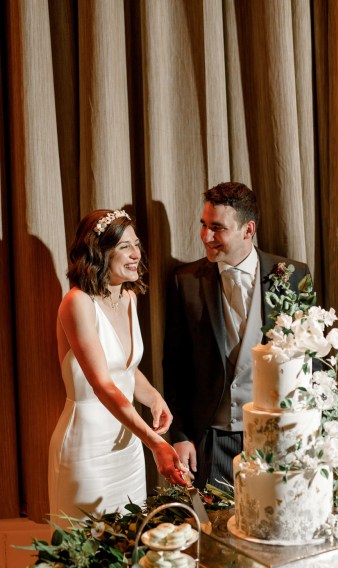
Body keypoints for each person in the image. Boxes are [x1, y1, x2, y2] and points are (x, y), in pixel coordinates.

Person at [163, 182, 310, 490]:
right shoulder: (184, 281)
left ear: (248, 230)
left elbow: (313, 360)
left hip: (278, 434)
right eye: (203, 226)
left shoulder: (293, 275)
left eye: (218, 228)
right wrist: (179, 436)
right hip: (214, 439)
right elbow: (174, 368)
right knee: (216, 532)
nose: (206, 236)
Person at [49, 208, 186, 523]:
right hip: (87, 448)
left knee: (129, 544)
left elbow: (123, 368)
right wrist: (154, 442)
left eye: (136, 245)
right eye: (125, 247)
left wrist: (153, 397)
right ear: (99, 253)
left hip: (127, 446)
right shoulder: (77, 303)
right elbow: (102, 383)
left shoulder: (128, 297)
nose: (136, 254)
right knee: (86, 553)